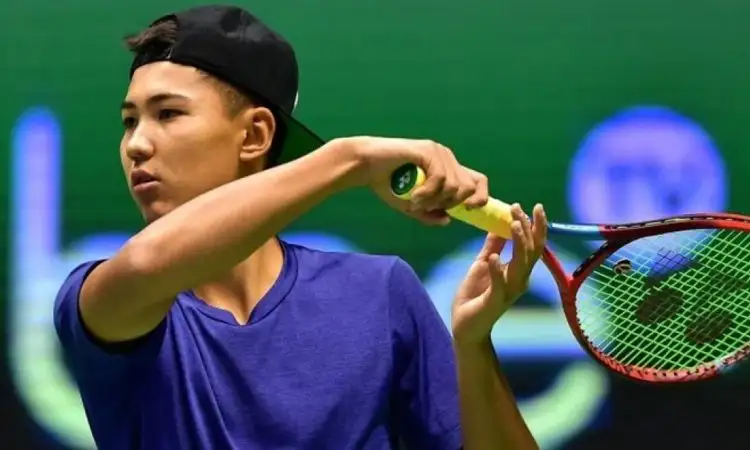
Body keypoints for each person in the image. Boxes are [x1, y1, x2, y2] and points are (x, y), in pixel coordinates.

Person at [53, 5, 548, 450]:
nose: (136, 144)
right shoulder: (102, 299)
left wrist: (473, 347)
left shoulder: (381, 293)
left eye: (167, 114)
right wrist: (350, 159)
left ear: (255, 135)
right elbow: (147, 263)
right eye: (129, 121)